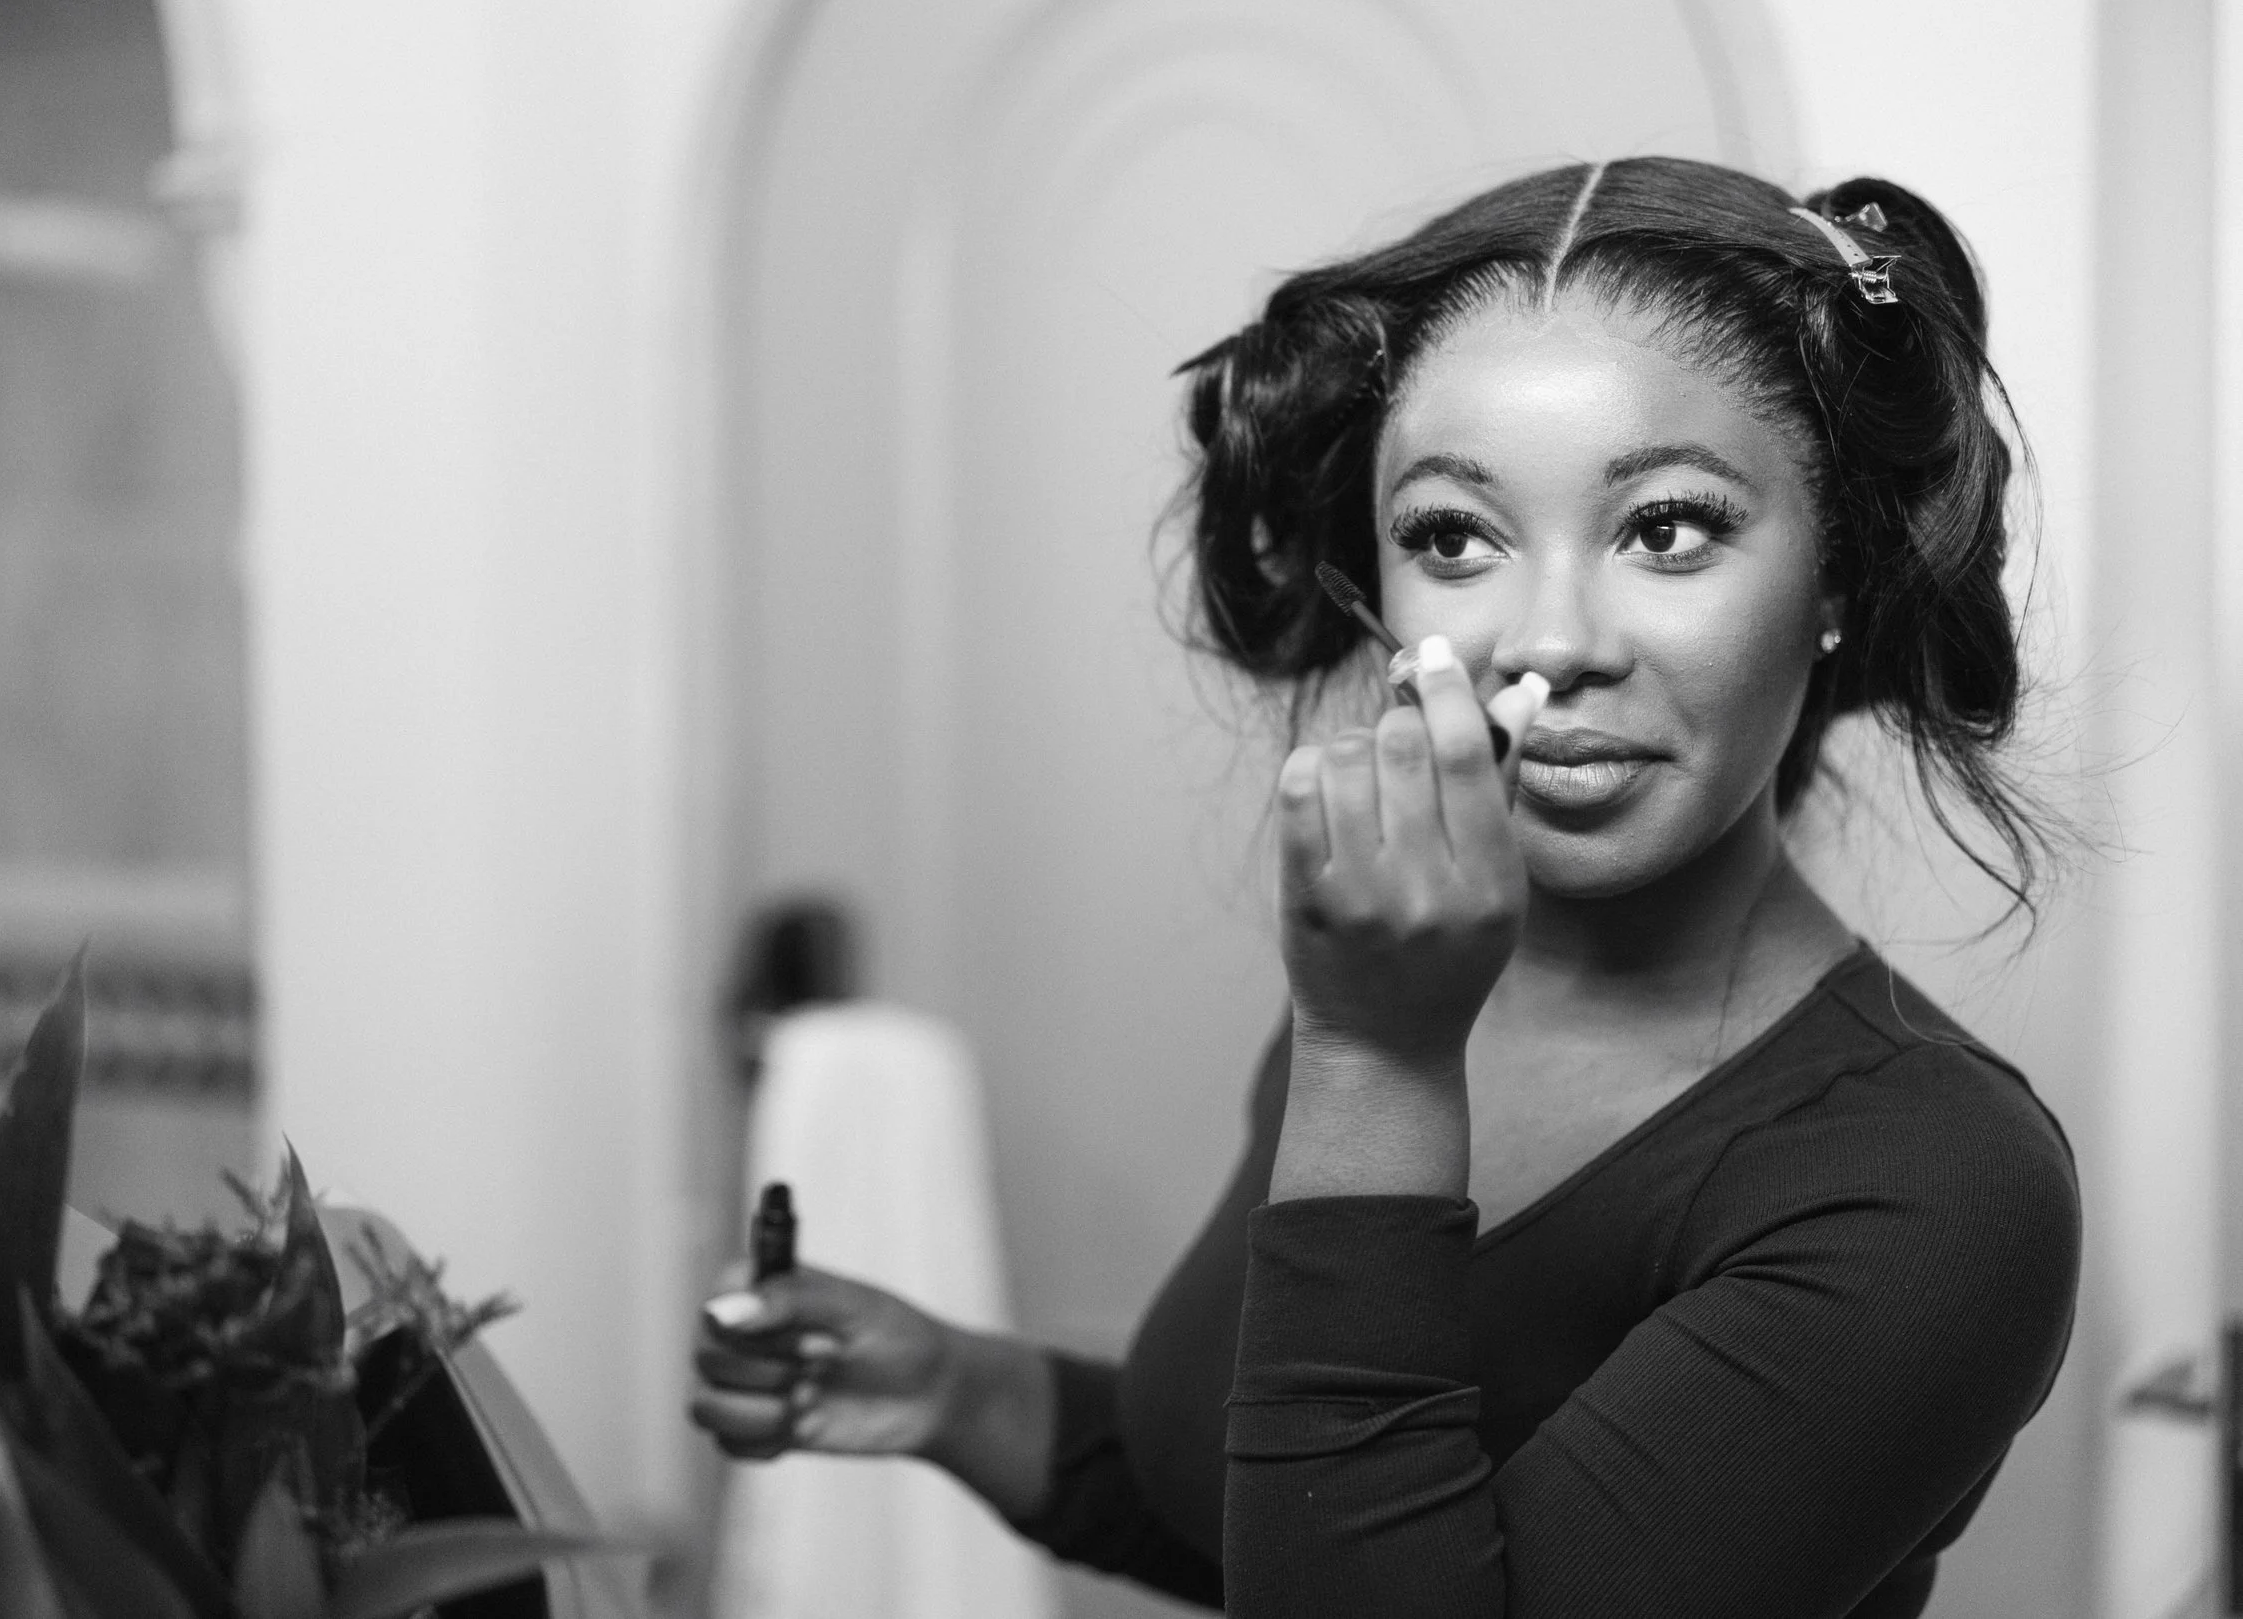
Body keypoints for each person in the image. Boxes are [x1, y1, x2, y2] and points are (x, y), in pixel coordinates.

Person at [689, 155, 2080, 1618]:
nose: (1547, 639)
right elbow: (1305, 1517)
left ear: (1840, 575)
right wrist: (965, 1390)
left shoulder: (1936, 1186)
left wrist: (1372, 1061)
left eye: (1667, 525)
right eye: (1454, 535)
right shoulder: (1407, 975)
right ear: (1381, 584)